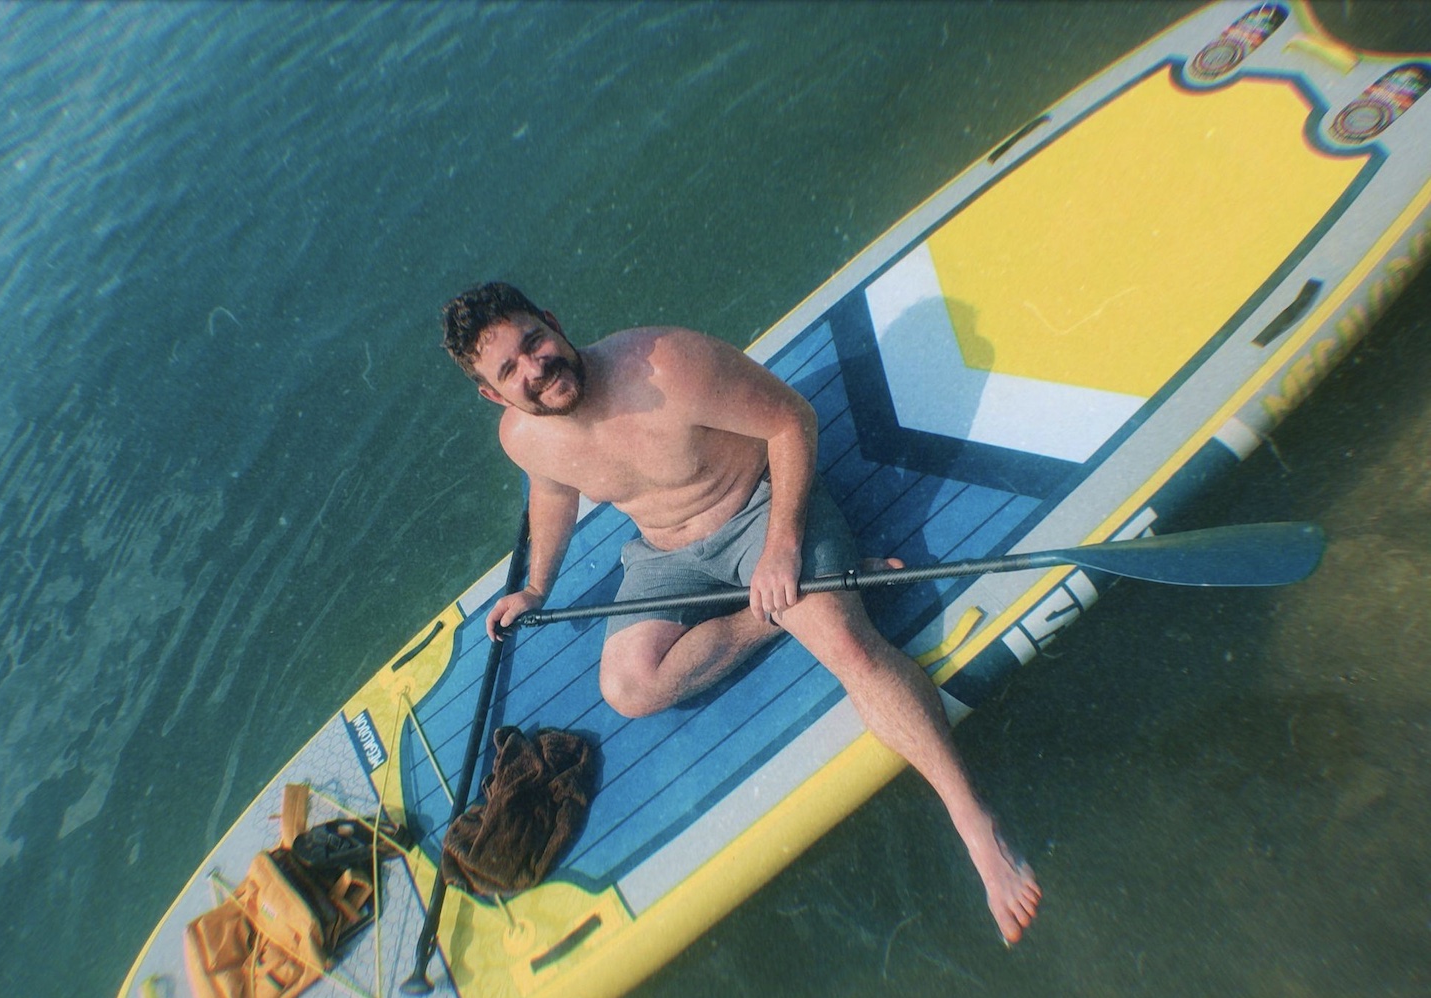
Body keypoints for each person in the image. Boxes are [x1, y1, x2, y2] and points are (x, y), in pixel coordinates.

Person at [440, 281, 1041, 944]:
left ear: (552, 321)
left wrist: (783, 547)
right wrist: (535, 589)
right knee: (627, 687)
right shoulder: (524, 437)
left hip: (761, 506)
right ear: (493, 394)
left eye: (534, 340)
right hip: (665, 553)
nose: (535, 366)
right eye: (510, 370)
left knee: (848, 647)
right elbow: (551, 496)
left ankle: (973, 822)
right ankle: (817, 592)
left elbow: (792, 422)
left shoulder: (666, 366)